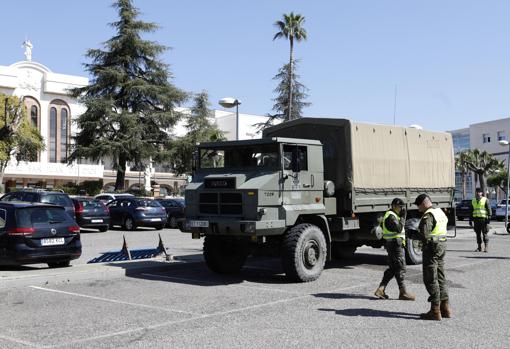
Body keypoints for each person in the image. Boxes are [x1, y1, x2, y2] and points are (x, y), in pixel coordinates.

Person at [411, 193, 452, 321]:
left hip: (431, 248)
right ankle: (445, 308)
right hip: (442, 245)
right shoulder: (439, 212)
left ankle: (435, 311)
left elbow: (424, 235)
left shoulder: (428, 215)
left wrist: (412, 234)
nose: (418, 208)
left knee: (430, 278)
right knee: (440, 276)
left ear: (424, 203)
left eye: (419, 206)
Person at [374, 198, 416, 301]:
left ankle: (381, 289)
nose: (401, 208)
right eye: (399, 206)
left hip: (393, 245)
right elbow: (398, 228)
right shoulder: (391, 217)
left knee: (393, 268)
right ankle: (403, 292)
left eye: (402, 207)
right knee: (401, 268)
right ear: (393, 206)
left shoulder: (393, 215)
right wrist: (403, 217)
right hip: (395, 246)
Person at [471, 188, 491, 252]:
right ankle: (479, 247)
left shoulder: (485, 200)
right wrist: (470, 220)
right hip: (476, 220)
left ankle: (486, 247)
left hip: (483, 219)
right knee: (478, 234)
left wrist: (489, 218)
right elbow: (471, 211)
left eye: (479, 192)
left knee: (484, 233)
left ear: (481, 193)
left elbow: (489, 209)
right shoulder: (473, 200)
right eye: (477, 192)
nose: (478, 193)